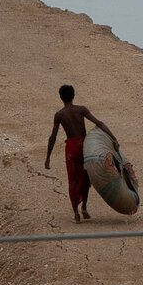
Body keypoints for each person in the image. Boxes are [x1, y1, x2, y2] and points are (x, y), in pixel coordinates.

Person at [44, 83, 114, 222]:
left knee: (73, 180)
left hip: (71, 148)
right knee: (86, 177)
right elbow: (99, 123)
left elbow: (53, 136)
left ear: (60, 98)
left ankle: (76, 214)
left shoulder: (59, 115)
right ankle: (84, 208)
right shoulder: (81, 109)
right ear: (74, 95)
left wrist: (48, 157)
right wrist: (113, 138)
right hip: (85, 145)